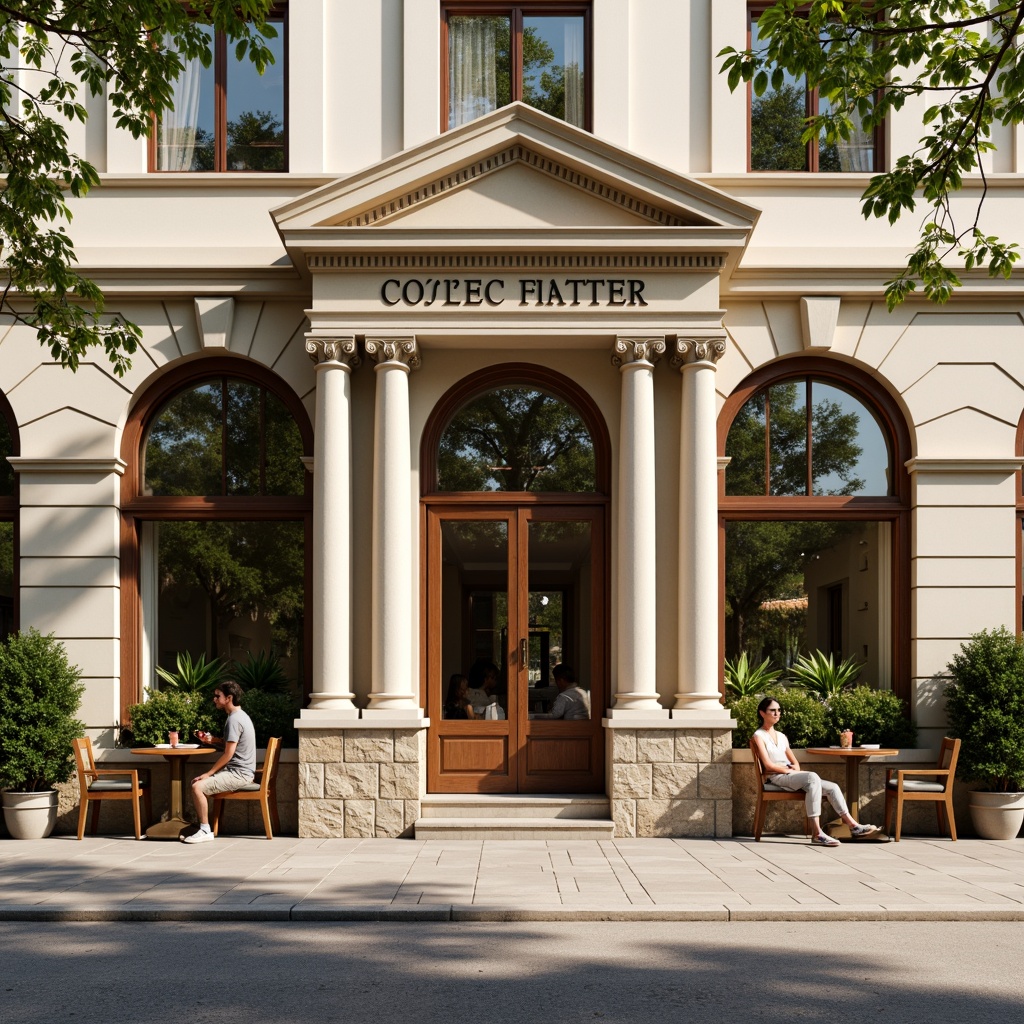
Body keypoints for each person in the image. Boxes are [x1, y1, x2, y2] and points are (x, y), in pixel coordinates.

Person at [752, 696, 878, 847]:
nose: (777, 713)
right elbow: (767, 766)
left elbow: (796, 764)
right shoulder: (758, 736)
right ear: (762, 713)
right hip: (776, 777)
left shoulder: (782, 736)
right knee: (812, 777)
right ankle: (817, 832)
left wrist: (792, 770)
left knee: (832, 787)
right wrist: (787, 770)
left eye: (779, 710)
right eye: (772, 710)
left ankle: (853, 826)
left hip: (790, 775)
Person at [183, 680, 256, 844]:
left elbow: (228, 755)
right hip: (242, 772)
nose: (214, 699)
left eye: (218, 696)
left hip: (239, 774)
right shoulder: (240, 716)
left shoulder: (234, 720)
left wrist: (208, 774)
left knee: (197, 786)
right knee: (200, 784)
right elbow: (231, 745)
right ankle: (204, 826)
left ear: (229, 698)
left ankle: (204, 830)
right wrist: (214, 740)